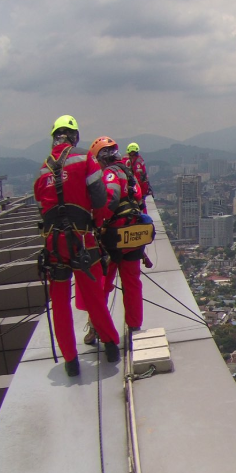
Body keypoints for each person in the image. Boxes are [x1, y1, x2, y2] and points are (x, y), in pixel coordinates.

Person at [33, 116, 121, 376]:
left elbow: (42, 208)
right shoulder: (85, 159)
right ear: (75, 136)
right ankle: (110, 345)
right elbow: (100, 198)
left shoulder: (42, 170)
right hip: (82, 238)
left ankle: (70, 362)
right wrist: (96, 221)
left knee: (59, 303)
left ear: (54, 137)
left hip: (53, 242)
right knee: (93, 295)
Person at [88, 136, 151, 337]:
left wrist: (98, 223)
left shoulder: (110, 174)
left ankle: (98, 327)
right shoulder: (128, 172)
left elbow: (111, 199)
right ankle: (134, 325)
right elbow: (139, 197)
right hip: (133, 234)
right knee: (132, 283)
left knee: (104, 284)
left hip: (115, 236)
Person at [125, 142, 153, 206]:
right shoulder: (138, 160)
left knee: (141, 205)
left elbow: (138, 179)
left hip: (141, 188)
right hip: (143, 187)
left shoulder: (137, 163)